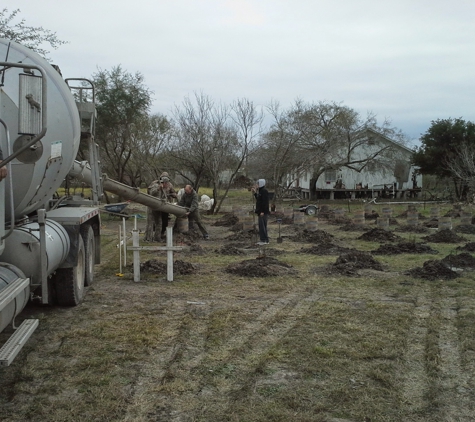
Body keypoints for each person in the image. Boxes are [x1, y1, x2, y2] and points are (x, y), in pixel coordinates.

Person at [149, 174, 177, 240]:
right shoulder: (155, 184)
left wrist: (174, 195)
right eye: (166, 183)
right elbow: (151, 193)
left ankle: (161, 234)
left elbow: (173, 192)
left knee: (164, 221)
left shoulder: (169, 185)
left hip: (165, 206)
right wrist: (158, 188)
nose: (167, 184)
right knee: (157, 222)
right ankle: (156, 236)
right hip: (156, 206)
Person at [252, 179, 270, 245]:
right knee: (261, 226)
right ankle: (263, 239)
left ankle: (264, 240)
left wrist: (263, 211)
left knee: (262, 226)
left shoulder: (264, 191)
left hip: (263, 212)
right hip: (260, 212)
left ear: (260, 184)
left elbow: (265, 203)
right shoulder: (260, 191)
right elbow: (259, 199)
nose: (256, 185)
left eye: (257, 184)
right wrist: (255, 193)